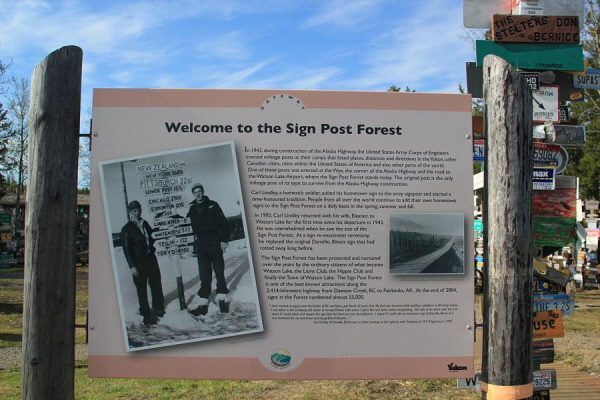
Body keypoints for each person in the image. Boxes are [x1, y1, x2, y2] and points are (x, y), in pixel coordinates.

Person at [187, 183, 231, 315]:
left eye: (200, 191)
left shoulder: (213, 205)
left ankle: (222, 300)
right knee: (204, 274)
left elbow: (223, 223)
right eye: (195, 192)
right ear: (193, 194)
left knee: (219, 271)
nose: (198, 194)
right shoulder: (192, 209)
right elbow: (189, 227)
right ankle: (203, 305)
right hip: (201, 244)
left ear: (203, 192)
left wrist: (223, 239)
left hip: (214, 241)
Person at [121, 200, 165, 325]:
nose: (137, 212)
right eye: (134, 210)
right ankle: (145, 314)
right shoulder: (127, 229)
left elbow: (152, 236)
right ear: (130, 212)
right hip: (138, 262)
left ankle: (158, 308)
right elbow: (126, 249)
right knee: (141, 288)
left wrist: (159, 224)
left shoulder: (145, 223)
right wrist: (132, 266)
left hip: (150, 259)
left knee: (156, 284)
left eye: (138, 209)